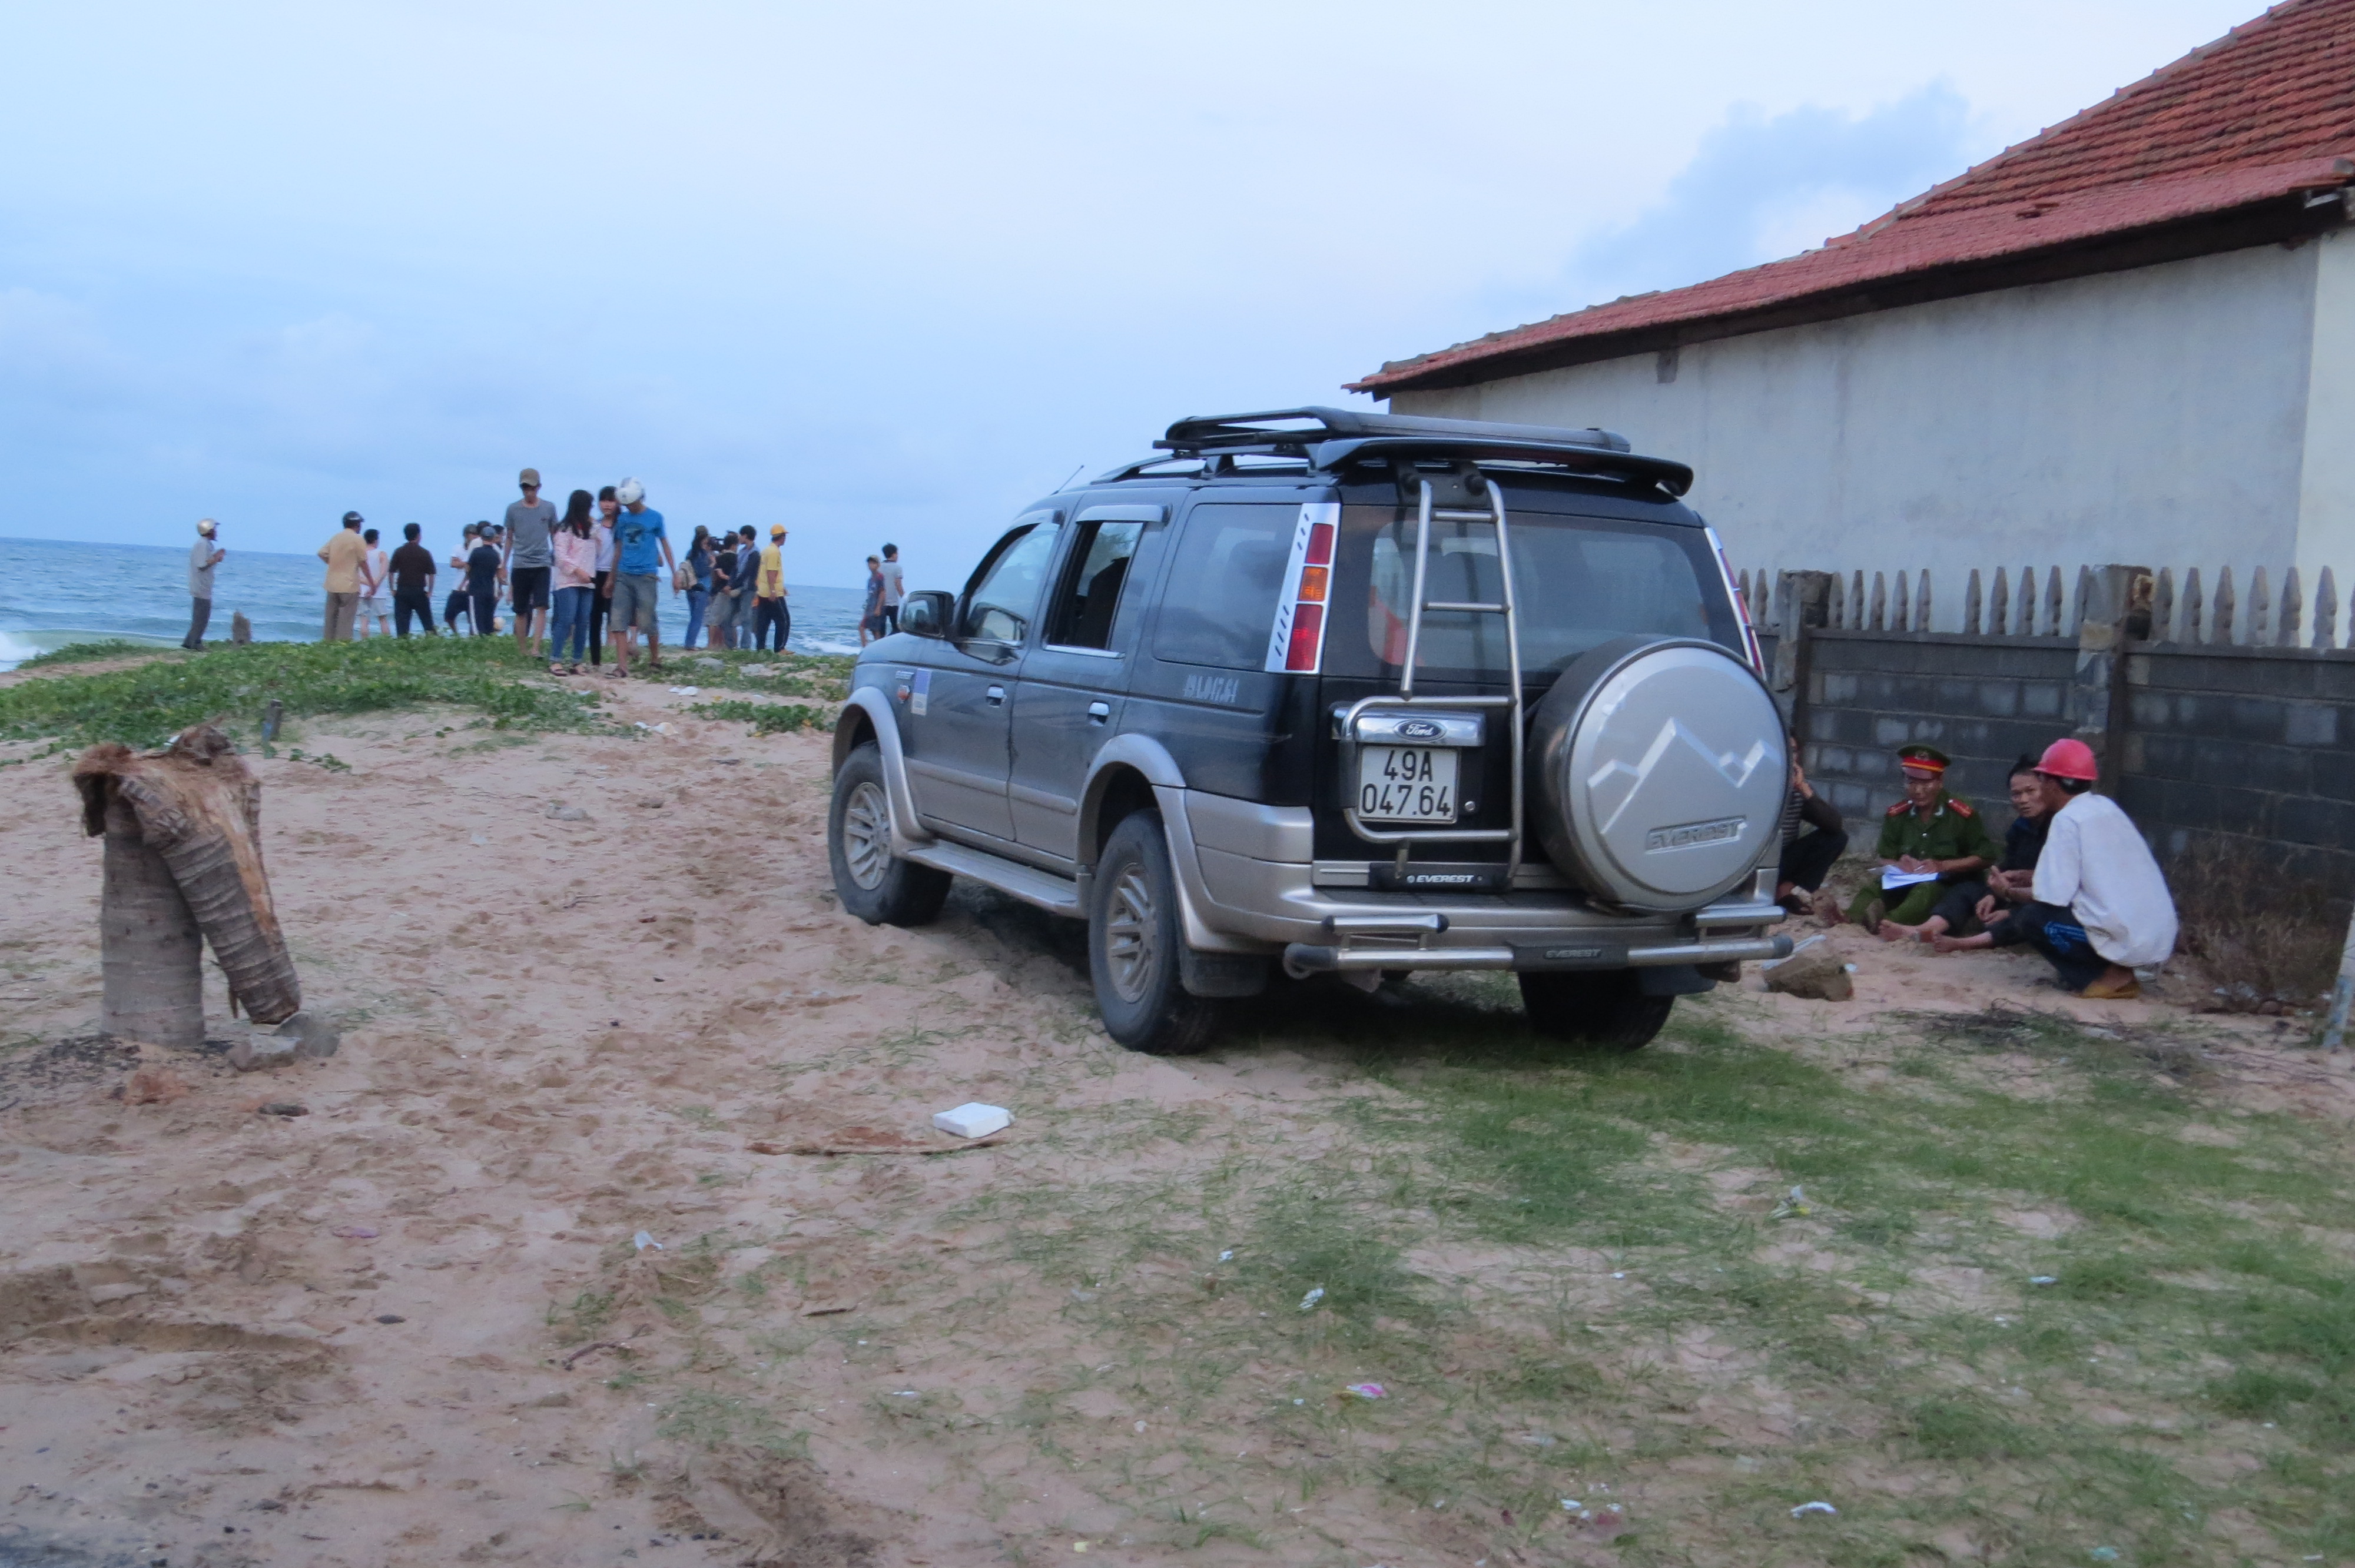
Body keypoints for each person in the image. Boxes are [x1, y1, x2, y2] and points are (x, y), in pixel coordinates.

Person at [1935, 739, 2177, 999]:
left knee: (2033, 918)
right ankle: (2113, 969)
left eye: (2040, 781)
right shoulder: (2106, 808)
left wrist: (2007, 892)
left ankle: (2108, 977)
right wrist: (2027, 878)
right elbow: (2087, 877)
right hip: (2158, 935)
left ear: (2051, 784)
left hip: (2128, 940)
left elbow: (2049, 898)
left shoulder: (2066, 820)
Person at [1842, 745, 1999, 935]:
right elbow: (1885, 857)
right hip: (1908, 880)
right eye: (1911, 783)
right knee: (1876, 886)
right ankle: (1849, 919)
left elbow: (1985, 857)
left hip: (1950, 885)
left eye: (1925, 784)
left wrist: (1943, 866)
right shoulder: (1897, 814)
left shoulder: (1961, 814)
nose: (1917, 790)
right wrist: (1899, 864)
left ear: (1940, 782)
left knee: (1926, 891)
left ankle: (1889, 923)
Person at [1891, 757, 2051, 943]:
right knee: (1966, 890)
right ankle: (1926, 930)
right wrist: (1993, 893)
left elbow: (2058, 888)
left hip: (2041, 900)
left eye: (2031, 791)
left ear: (2048, 790)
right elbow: (2007, 867)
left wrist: (2009, 911)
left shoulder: (2061, 828)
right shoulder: (2020, 827)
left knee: (2030, 914)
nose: (2023, 800)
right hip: (2011, 893)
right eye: (2016, 794)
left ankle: (1967, 944)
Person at [603, 477, 675, 676]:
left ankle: (654, 659)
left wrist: (674, 573)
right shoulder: (623, 520)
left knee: (647, 620)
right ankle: (622, 667)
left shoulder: (655, 518)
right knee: (618, 620)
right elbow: (618, 549)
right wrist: (611, 578)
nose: (631, 508)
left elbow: (665, 545)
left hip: (646, 575)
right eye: (627, 505)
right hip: (624, 574)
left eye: (633, 504)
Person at [1774, 753, 1845, 916]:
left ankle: (1784, 891)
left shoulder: (1798, 790)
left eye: (1793, 750)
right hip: (1751, 861)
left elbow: (1834, 826)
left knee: (1837, 839)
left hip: (1783, 859)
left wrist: (1804, 790)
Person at [505, 467, 557, 660]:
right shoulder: (513, 509)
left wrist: (558, 558)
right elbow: (509, 538)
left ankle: (536, 648)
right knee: (520, 610)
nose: (529, 492)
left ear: (539, 487)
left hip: (542, 564)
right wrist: (504, 564)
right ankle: (522, 649)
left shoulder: (549, 508)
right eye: (525, 488)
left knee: (541, 607)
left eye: (532, 488)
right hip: (520, 564)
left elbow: (554, 535)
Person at [549, 490, 598, 674]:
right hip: (567, 581)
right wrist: (577, 571)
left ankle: (577, 661)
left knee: (583, 620)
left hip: (587, 582)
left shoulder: (591, 528)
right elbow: (560, 556)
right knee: (566, 619)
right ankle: (555, 659)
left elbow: (601, 542)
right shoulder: (564, 529)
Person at [318, 511, 369, 642]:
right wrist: (372, 583)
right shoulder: (358, 539)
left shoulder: (336, 537)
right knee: (346, 620)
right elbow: (363, 562)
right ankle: (343, 647)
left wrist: (333, 562)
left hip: (332, 583)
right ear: (357, 525)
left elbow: (322, 553)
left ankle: (327, 645)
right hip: (349, 585)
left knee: (331, 619)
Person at [389, 523, 437, 637]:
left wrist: (392, 589)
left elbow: (391, 573)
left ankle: (403, 648)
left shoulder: (399, 551)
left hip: (402, 590)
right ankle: (433, 645)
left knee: (402, 625)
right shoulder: (425, 553)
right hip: (419, 591)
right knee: (428, 623)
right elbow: (431, 575)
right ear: (418, 535)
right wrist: (430, 591)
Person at [588, 487, 619, 666]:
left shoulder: (621, 526)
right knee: (595, 619)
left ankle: (619, 659)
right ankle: (595, 661)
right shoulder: (595, 527)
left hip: (616, 574)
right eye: (604, 500)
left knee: (617, 619)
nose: (607, 504)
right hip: (595, 573)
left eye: (611, 500)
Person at [184, 519, 225, 650]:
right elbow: (202, 565)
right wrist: (216, 558)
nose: (216, 532)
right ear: (209, 530)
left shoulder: (205, 544)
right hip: (201, 586)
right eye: (214, 530)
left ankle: (191, 641)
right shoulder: (203, 544)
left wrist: (215, 557)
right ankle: (195, 643)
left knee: (201, 615)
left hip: (202, 586)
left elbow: (205, 562)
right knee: (202, 616)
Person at [749, 524, 790, 652]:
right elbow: (771, 572)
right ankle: (780, 648)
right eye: (784, 536)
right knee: (783, 620)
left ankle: (760, 648)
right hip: (772, 593)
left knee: (764, 621)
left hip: (763, 591)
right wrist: (773, 590)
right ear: (782, 537)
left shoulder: (766, 550)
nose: (785, 539)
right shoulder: (774, 552)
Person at [706, 529, 742, 652]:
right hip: (734, 592)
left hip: (721, 591)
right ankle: (732, 646)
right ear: (734, 545)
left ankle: (712, 644)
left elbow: (717, 575)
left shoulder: (720, 558)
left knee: (714, 619)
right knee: (732, 622)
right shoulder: (738, 559)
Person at [466, 524, 504, 637]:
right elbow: (499, 574)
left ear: (482, 538)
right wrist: (499, 590)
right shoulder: (496, 555)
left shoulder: (476, 552)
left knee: (476, 620)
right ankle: (488, 641)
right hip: (490, 590)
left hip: (476, 590)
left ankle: (478, 642)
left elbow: (468, 568)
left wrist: (469, 579)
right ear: (493, 539)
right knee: (488, 619)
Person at [354, 528, 392, 639]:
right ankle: (387, 643)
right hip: (378, 592)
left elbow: (355, 574)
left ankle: (365, 643)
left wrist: (368, 584)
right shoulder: (381, 554)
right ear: (376, 540)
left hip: (362, 590)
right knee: (383, 619)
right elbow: (383, 573)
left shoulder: (360, 555)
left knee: (364, 620)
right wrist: (374, 586)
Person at [681, 525, 714, 650]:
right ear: (705, 538)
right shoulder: (702, 554)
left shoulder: (690, 552)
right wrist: (713, 564)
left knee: (693, 617)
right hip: (702, 588)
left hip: (690, 588)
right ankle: (690, 644)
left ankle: (689, 642)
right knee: (698, 618)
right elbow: (701, 572)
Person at [445, 523, 480, 633]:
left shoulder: (478, 550)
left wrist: (465, 564)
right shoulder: (458, 548)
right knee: (449, 616)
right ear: (466, 535)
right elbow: (453, 563)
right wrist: (467, 564)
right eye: (473, 534)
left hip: (472, 590)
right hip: (458, 589)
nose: (475, 537)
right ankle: (456, 634)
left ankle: (472, 637)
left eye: (477, 534)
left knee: (473, 619)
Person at [877, 543, 904, 634]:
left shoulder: (879, 567)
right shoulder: (897, 568)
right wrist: (905, 598)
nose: (898, 556)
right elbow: (898, 585)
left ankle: (880, 646)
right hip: (893, 603)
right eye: (897, 553)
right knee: (897, 629)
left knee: (881, 631)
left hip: (880, 603)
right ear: (893, 554)